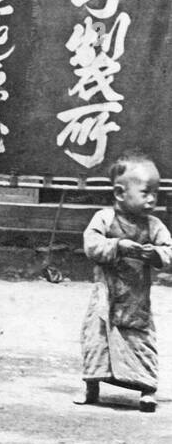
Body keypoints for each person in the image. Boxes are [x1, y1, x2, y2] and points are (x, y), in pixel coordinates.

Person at [78, 151, 171, 413]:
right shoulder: (104, 219)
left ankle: (147, 389)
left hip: (136, 298)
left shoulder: (154, 225)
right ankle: (91, 387)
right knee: (97, 340)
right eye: (145, 192)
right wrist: (119, 246)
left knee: (141, 341)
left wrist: (155, 254)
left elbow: (169, 250)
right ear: (120, 193)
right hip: (105, 296)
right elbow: (92, 245)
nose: (152, 199)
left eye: (157, 193)